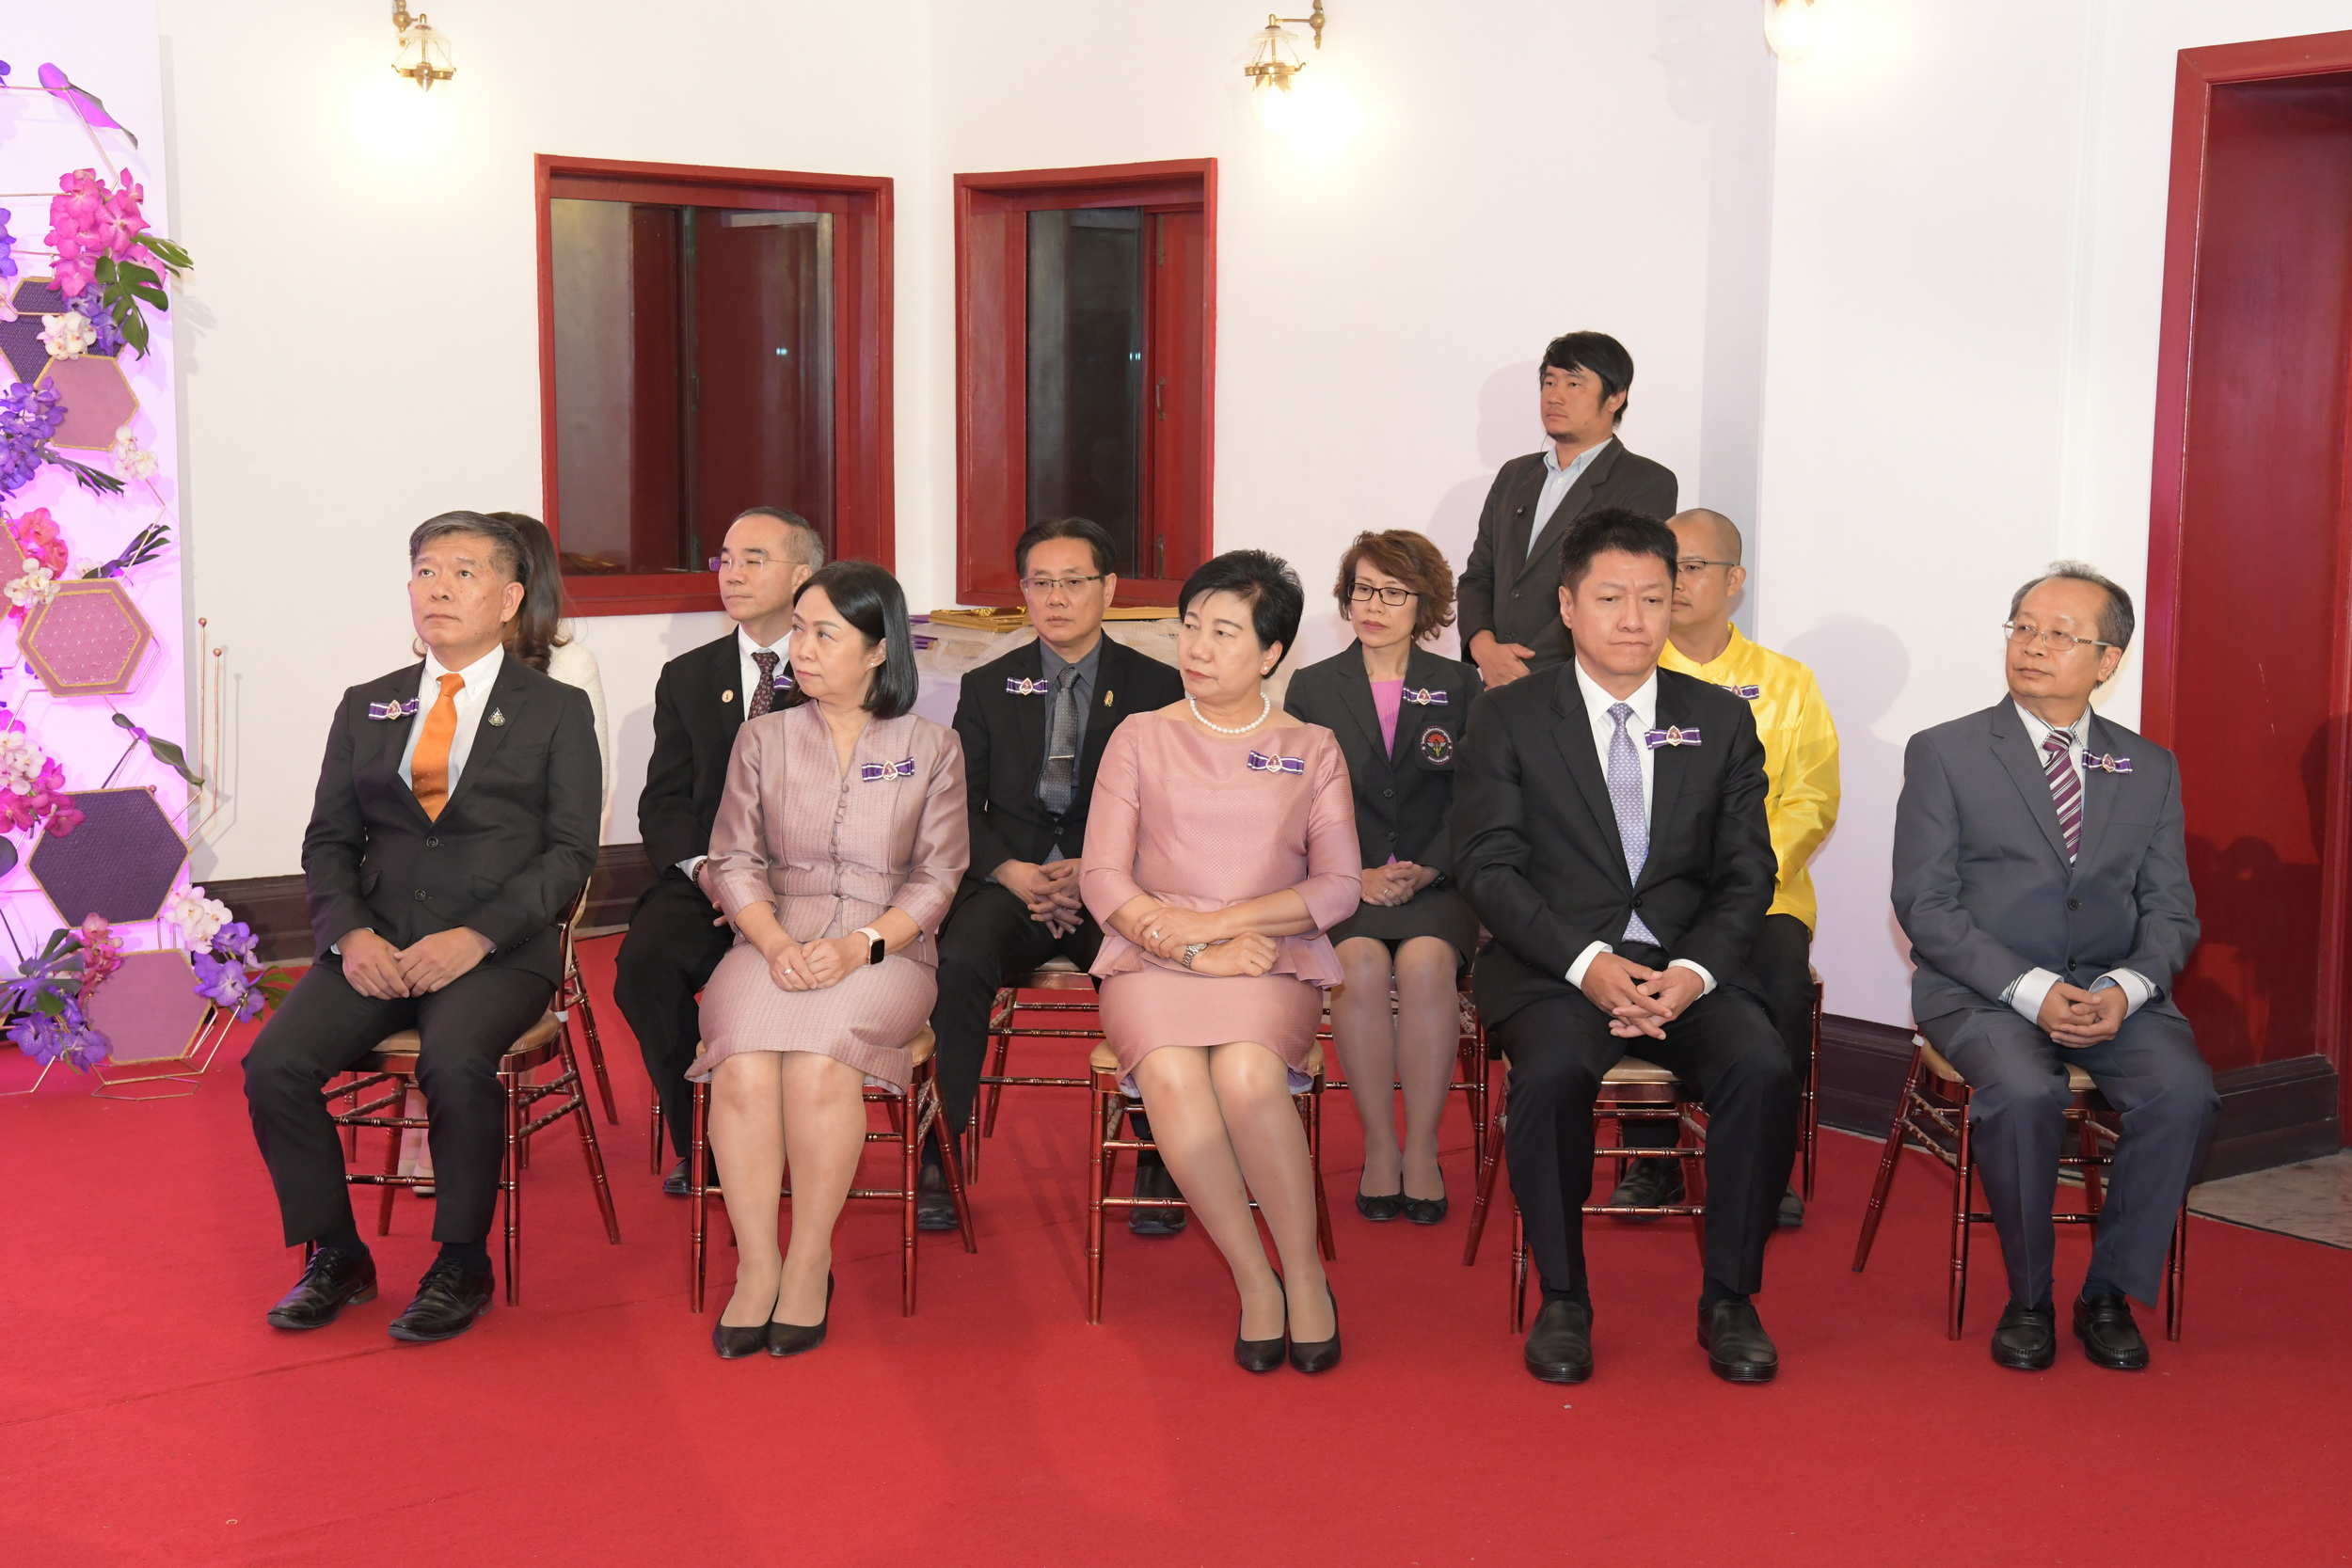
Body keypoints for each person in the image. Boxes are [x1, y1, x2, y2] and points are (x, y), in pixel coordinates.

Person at [1454, 508, 1797, 1386]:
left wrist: (1692, 972)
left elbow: (1748, 873)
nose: (1635, 618)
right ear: (1568, 606)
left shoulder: (1718, 719)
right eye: (1611, 598)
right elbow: (1489, 867)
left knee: (1761, 1066)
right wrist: (1587, 964)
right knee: (1550, 1076)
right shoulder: (1508, 716)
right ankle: (1564, 1296)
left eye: (1653, 596)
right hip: (1556, 966)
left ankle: (1731, 1295)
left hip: (1687, 967)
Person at [244, 511, 602, 1342]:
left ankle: (461, 1261)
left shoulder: (555, 709)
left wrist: (476, 936)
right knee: (274, 1064)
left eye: (463, 572)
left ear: (509, 598)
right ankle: (337, 1253)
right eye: (426, 571)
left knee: (454, 1060)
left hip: (496, 948)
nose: (438, 588)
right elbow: (328, 841)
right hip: (378, 942)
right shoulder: (367, 704)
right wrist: (350, 935)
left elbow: (570, 853)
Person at [1891, 562, 2215, 1372]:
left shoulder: (2149, 767)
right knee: (2026, 1091)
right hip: (1983, 991)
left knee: (2184, 1094)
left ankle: (2107, 1292)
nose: (2033, 646)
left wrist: (2125, 988)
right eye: (2024, 628)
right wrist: (2031, 990)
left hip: (2110, 992)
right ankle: (2028, 1296)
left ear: (2108, 661)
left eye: (2060, 635)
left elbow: (2172, 910)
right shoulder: (1947, 752)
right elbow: (1925, 904)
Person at [1080, 550, 1360, 1373]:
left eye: (1224, 632)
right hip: (1152, 956)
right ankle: (1253, 1277)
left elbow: (1339, 885)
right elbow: (1102, 877)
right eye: (1191, 626)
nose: (1197, 647)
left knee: (1246, 1072)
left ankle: (1302, 1271)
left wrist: (1227, 927)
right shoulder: (1140, 735)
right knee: (1169, 1071)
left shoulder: (1312, 746)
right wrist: (1188, 945)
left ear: (1271, 652)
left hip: (1269, 955)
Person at [690, 561, 968, 1359]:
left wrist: (858, 945)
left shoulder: (932, 746)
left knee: (818, 1066)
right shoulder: (762, 738)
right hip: (772, 934)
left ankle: (810, 1260)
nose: (802, 649)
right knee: (743, 1067)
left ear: (878, 649)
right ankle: (757, 1264)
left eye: (825, 634)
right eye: (799, 630)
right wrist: (775, 942)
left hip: (889, 946)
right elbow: (733, 858)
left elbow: (939, 876)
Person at [924, 517, 1185, 1232]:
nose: (1057, 597)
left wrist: (1102, 868)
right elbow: (955, 802)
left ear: (1109, 588)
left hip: (1114, 884)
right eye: (1041, 583)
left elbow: (1170, 806)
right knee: (959, 959)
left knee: (1146, 967)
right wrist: (1007, 869)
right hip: (1014, 883)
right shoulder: (986, 685)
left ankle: (1159, 1154)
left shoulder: (1157, 685)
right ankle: (939, 1153)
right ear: (1024, 592)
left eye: (1074, 581)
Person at [1611, 508, 1839, 1227]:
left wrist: (1743, 874)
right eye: (1665, 566)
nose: (1675, 582)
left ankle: (1764, 1168)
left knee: (1781, 984)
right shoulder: (1627, 675)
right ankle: (1651, 1159)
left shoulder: (1788, 682)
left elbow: (1812, 797)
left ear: (1734, 580)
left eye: (1693, 566)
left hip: (1766, 897)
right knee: (1637, 967)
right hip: (1652, 893)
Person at [613, 507, 821, 1196]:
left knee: (798, 977)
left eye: (754, 559)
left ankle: (805, 1135)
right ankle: (701, 1142)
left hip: (806, 882)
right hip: (706, 878)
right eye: (725, 559)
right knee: (642, 966)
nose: (732, 573)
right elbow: (664, 802)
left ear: (803, 574)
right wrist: (708, 874)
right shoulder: (687, 676)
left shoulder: (833, 666)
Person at [1282, 530, 1483, 1225]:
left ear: (1424, 603)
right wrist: (1352, 874)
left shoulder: (1460, 684)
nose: (1373, 604)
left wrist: (1431, 864)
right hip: (1350, 883)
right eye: (1363, 589)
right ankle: (1377, 1147)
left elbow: (1477, 795)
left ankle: (1422, 1148)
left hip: (1438, 881)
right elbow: (1298, 801)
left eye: (1393, 592)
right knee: (1361, 966)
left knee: (1427, 964)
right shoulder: (1313, 686)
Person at [1457, 332, 1678, 690]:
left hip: (1577, 682)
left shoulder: (1647, 481)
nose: (1555, 396)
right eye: (1549, 382)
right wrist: (1485, 650)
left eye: (1573, 383)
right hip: (1493, 682)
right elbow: (1479, 576)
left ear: (1616, 397)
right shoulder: (1514, 475)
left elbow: (1622, 591)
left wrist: (1525, 670)